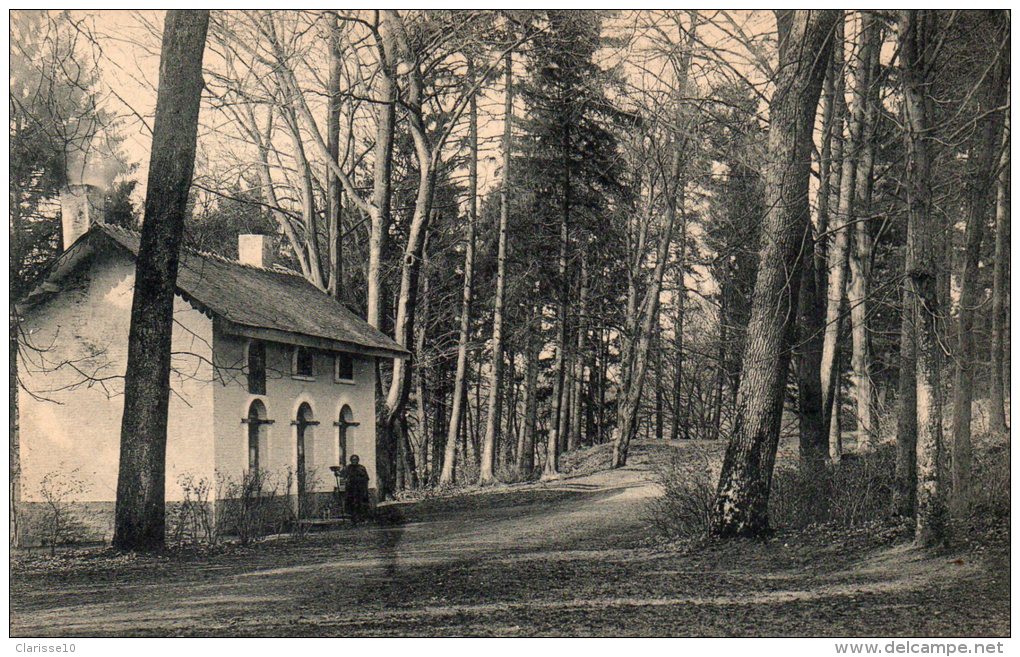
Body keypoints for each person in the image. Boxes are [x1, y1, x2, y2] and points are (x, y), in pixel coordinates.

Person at [342, 455, 371, 524]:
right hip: (351, 489)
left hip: (360, 489)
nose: (354, 461)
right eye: (352, 460)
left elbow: (366, 478)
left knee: (360, 504)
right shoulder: (348, 468)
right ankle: (353, 518)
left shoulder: (361, 468)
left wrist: (365, 488)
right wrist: (337, 473)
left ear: (358, 460)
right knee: (352, 503)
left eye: (355, 459)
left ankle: (361, 518)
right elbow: (342, 474)